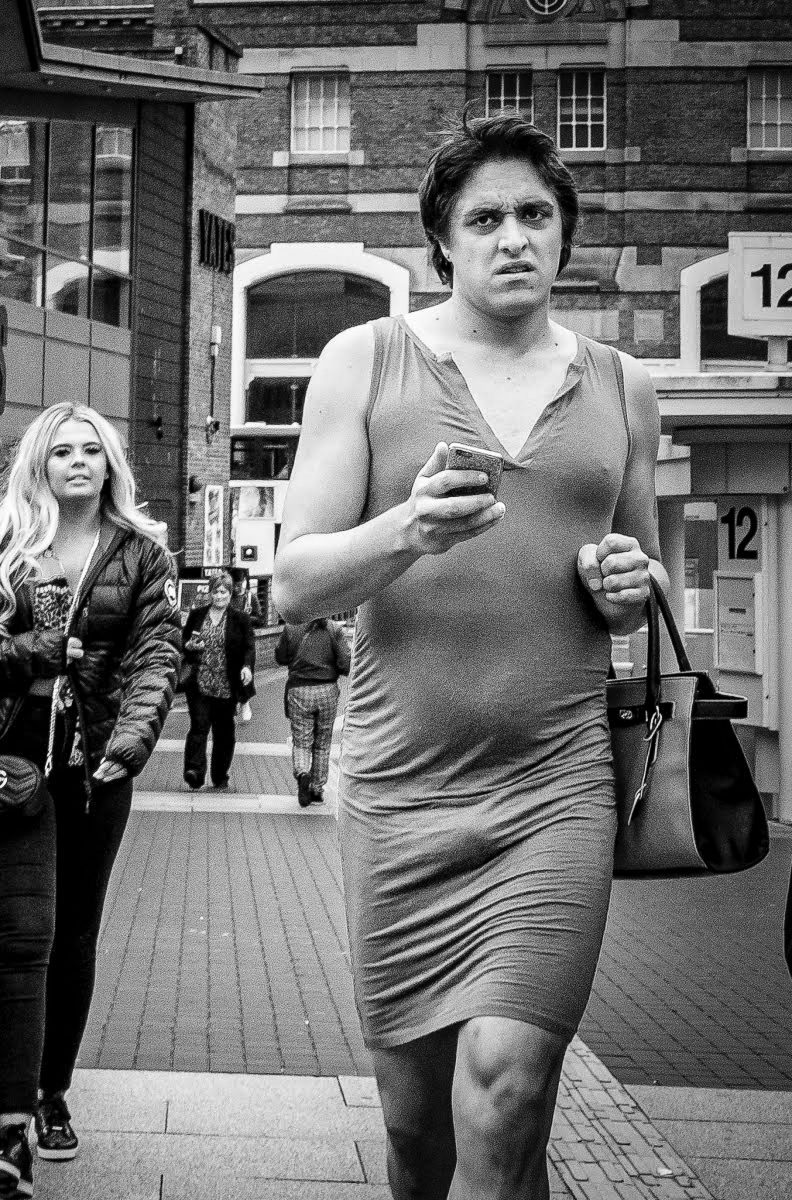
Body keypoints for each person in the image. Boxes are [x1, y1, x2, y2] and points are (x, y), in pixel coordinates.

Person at [271, 111, 668, 1200]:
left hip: (555, 791)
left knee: (505, 1086)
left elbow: (639, 586)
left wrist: (626, 590)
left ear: (564, 236)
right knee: (418, 1135)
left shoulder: (623, 384)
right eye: (485, 217)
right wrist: (408, 530)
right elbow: (294, 581)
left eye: (536, 215)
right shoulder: (368, 361)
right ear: (441, 238)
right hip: (401, 795)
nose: (514, 237)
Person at [0, 402, 180, 1198]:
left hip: (94, 769)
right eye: (62, 451)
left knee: (73, 934)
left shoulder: (142, 554)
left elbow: (156, 653)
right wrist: (31, 651)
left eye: (92, 451)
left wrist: (129, 746)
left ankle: (52, 1091)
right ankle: (11, 1129)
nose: (79, 462)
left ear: (111, 463)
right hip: (8, 765)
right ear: (38, 463)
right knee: (22, 935)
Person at [181, 572, 255, 791]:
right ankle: (194, 771)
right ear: (210, 592)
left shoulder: (240, 619)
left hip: (226, 683)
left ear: (230, 594)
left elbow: (249, 647)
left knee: (224, 732)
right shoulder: (197, 615)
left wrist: (247, 667)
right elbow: (185, 640)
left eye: (223, 591)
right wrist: (189, 646)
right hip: (200, 682)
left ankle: (220, 774)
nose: (219, 596)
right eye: (215, 591)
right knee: (199, 726)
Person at [275, 617, 351, 807]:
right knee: (323, 742)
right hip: (326, 690)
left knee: (301, 739)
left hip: (299, 689)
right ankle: (317, 789)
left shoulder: (292, 627)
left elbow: (280, 657)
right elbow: (345, 663)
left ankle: (302, 773)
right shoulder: (334, 629)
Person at [230, 575, 260, 721]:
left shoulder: (250, 597)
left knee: (246, 673)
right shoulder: (227, 597)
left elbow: (259, 617)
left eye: (238, 584)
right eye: (233, 584)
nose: (235, 587)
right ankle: (233, 703)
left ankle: (245, 702)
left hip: (245, 641)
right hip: (229, 641)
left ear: (242, 582)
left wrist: (244, 618)